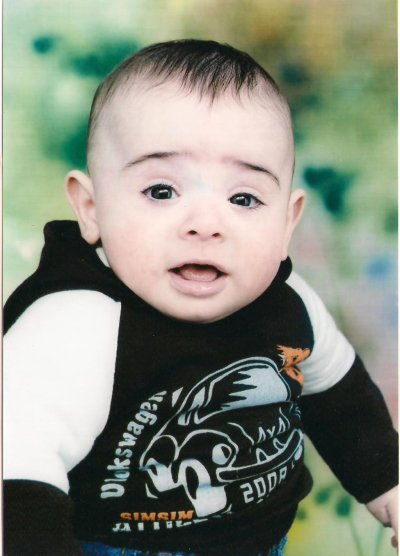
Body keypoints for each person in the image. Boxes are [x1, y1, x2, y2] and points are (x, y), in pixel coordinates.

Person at [4, 39, 398, 556]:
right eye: (162, 191)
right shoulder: (76, 322)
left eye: (244, 198)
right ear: (92, 208)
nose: (206, 224)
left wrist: (388, 484)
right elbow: (17, 474)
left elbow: (342, 399)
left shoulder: (291, 303)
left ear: (286, 222)